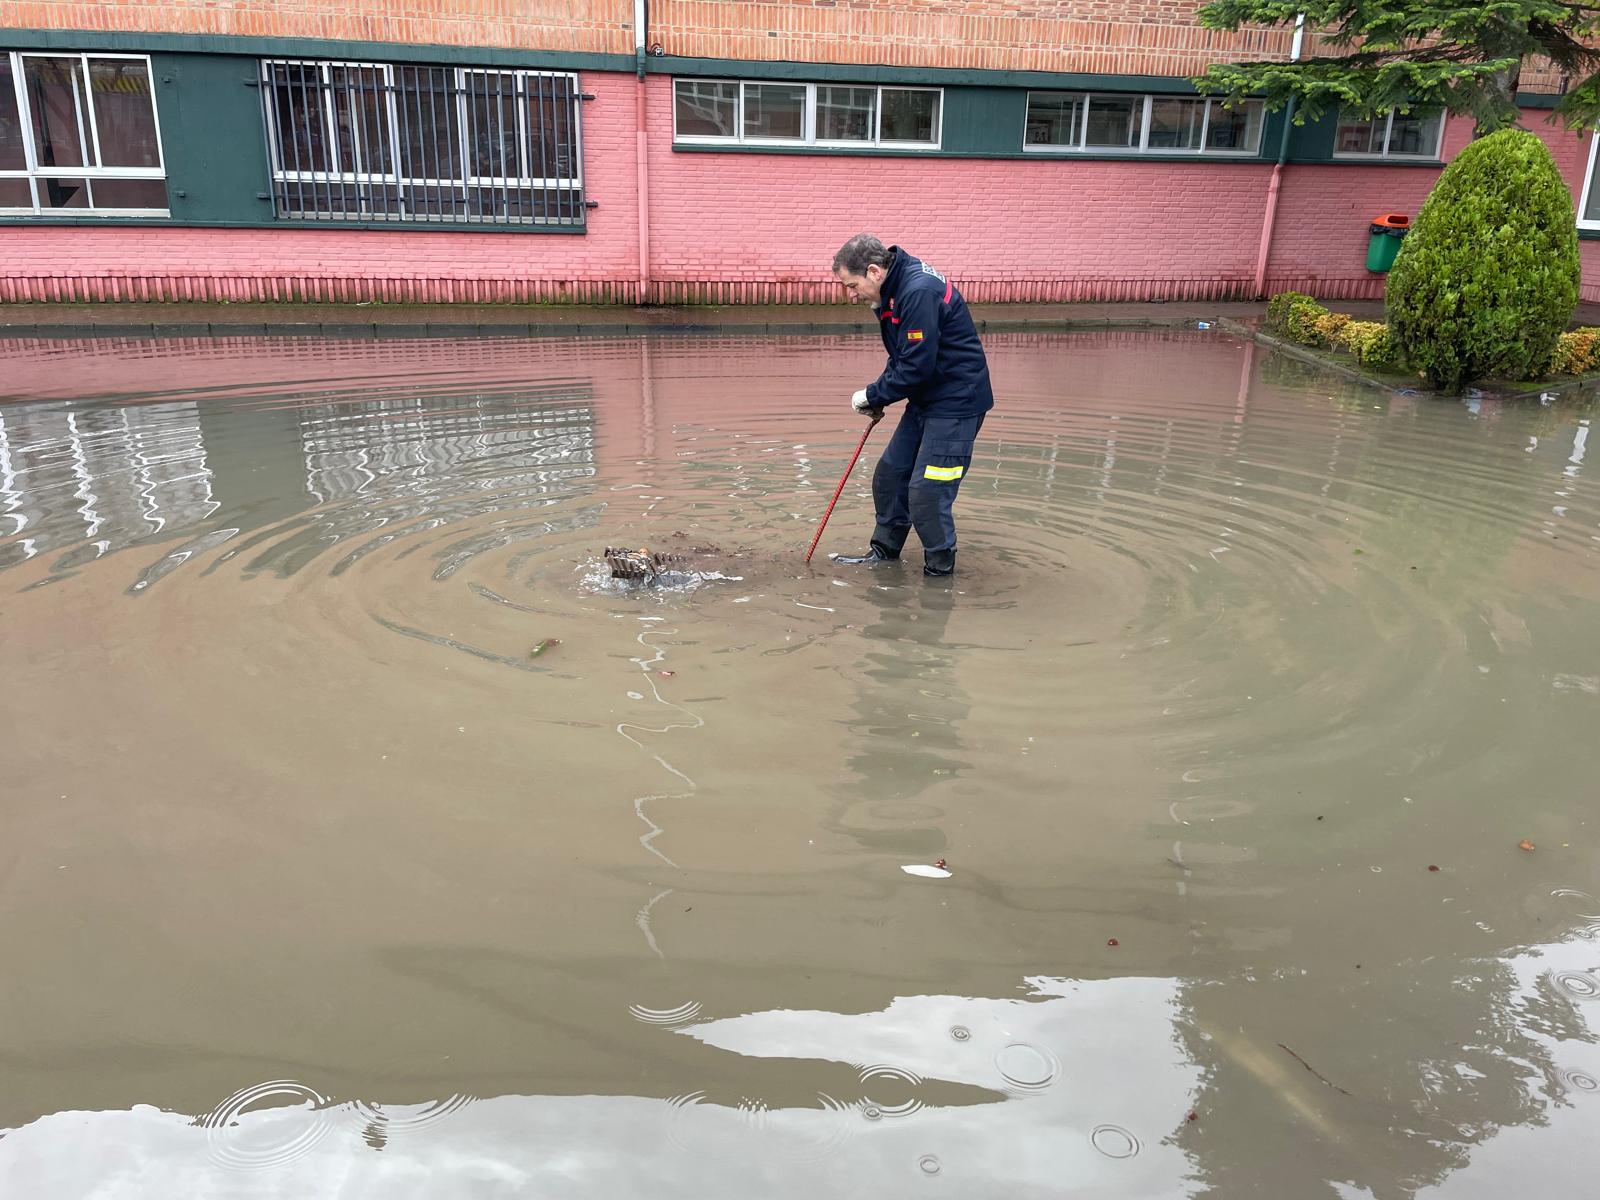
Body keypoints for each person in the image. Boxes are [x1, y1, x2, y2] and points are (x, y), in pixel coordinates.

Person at [829, 234, 994, 576]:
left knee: (927, 492)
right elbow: (904, 356)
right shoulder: (894, 290)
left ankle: (939, 575)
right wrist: (881, 393)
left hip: (956, 405)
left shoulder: (917, 291)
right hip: (927, 399)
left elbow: (916, 366)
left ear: (874, 271)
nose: (850, 293)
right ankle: (884, 555)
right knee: (890, 476)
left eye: (852, 284)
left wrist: (872, 395)